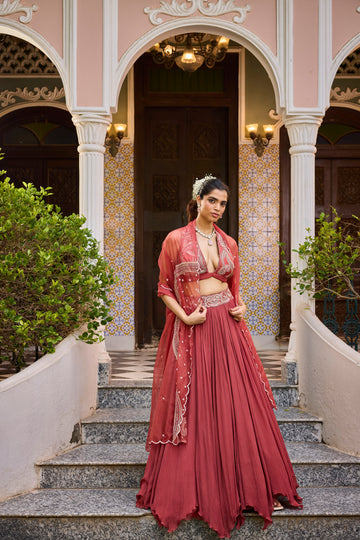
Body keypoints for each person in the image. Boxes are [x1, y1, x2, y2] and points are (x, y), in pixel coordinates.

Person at [136, 175, 302, 538]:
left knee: (238, 403)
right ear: (197, 200)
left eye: (223, 203)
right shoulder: (176, 239)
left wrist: (241, 308)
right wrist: (184, 316)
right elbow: (164, 286)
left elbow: (234, 287)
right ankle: (196, 489)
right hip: (195, 326)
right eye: (212, 200)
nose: (217, 208)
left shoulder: (229, 242)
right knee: (198, 405)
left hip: (227, 327)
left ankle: (250, 486)